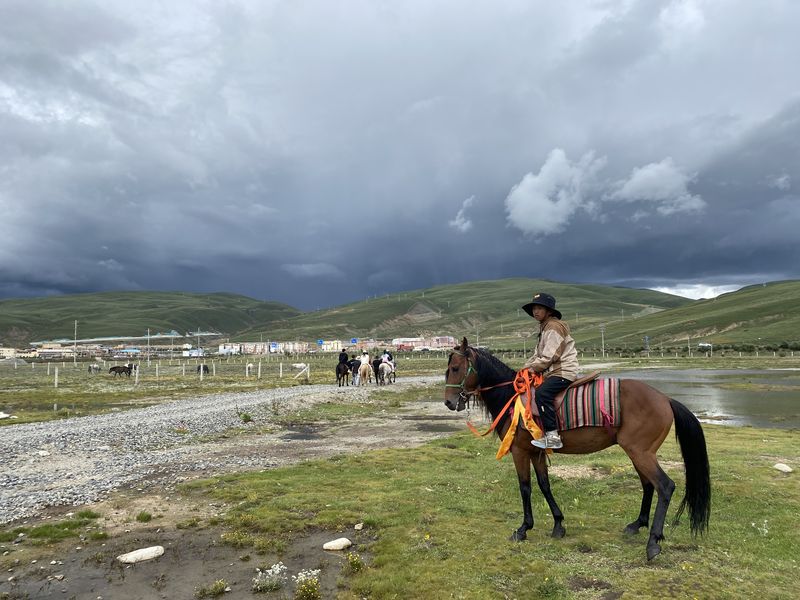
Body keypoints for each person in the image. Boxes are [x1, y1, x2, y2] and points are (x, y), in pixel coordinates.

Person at [521, 292, 579, 450]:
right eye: (534, 308)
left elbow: (550, 356)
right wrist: (523, 370)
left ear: (549, 311)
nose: (535, 312)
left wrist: (532, 369)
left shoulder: (553, 327)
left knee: (542, 394)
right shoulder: (544, 328)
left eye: (540, 308)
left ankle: (552, 436)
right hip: (553, 372)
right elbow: (536, 356)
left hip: (561, 372)